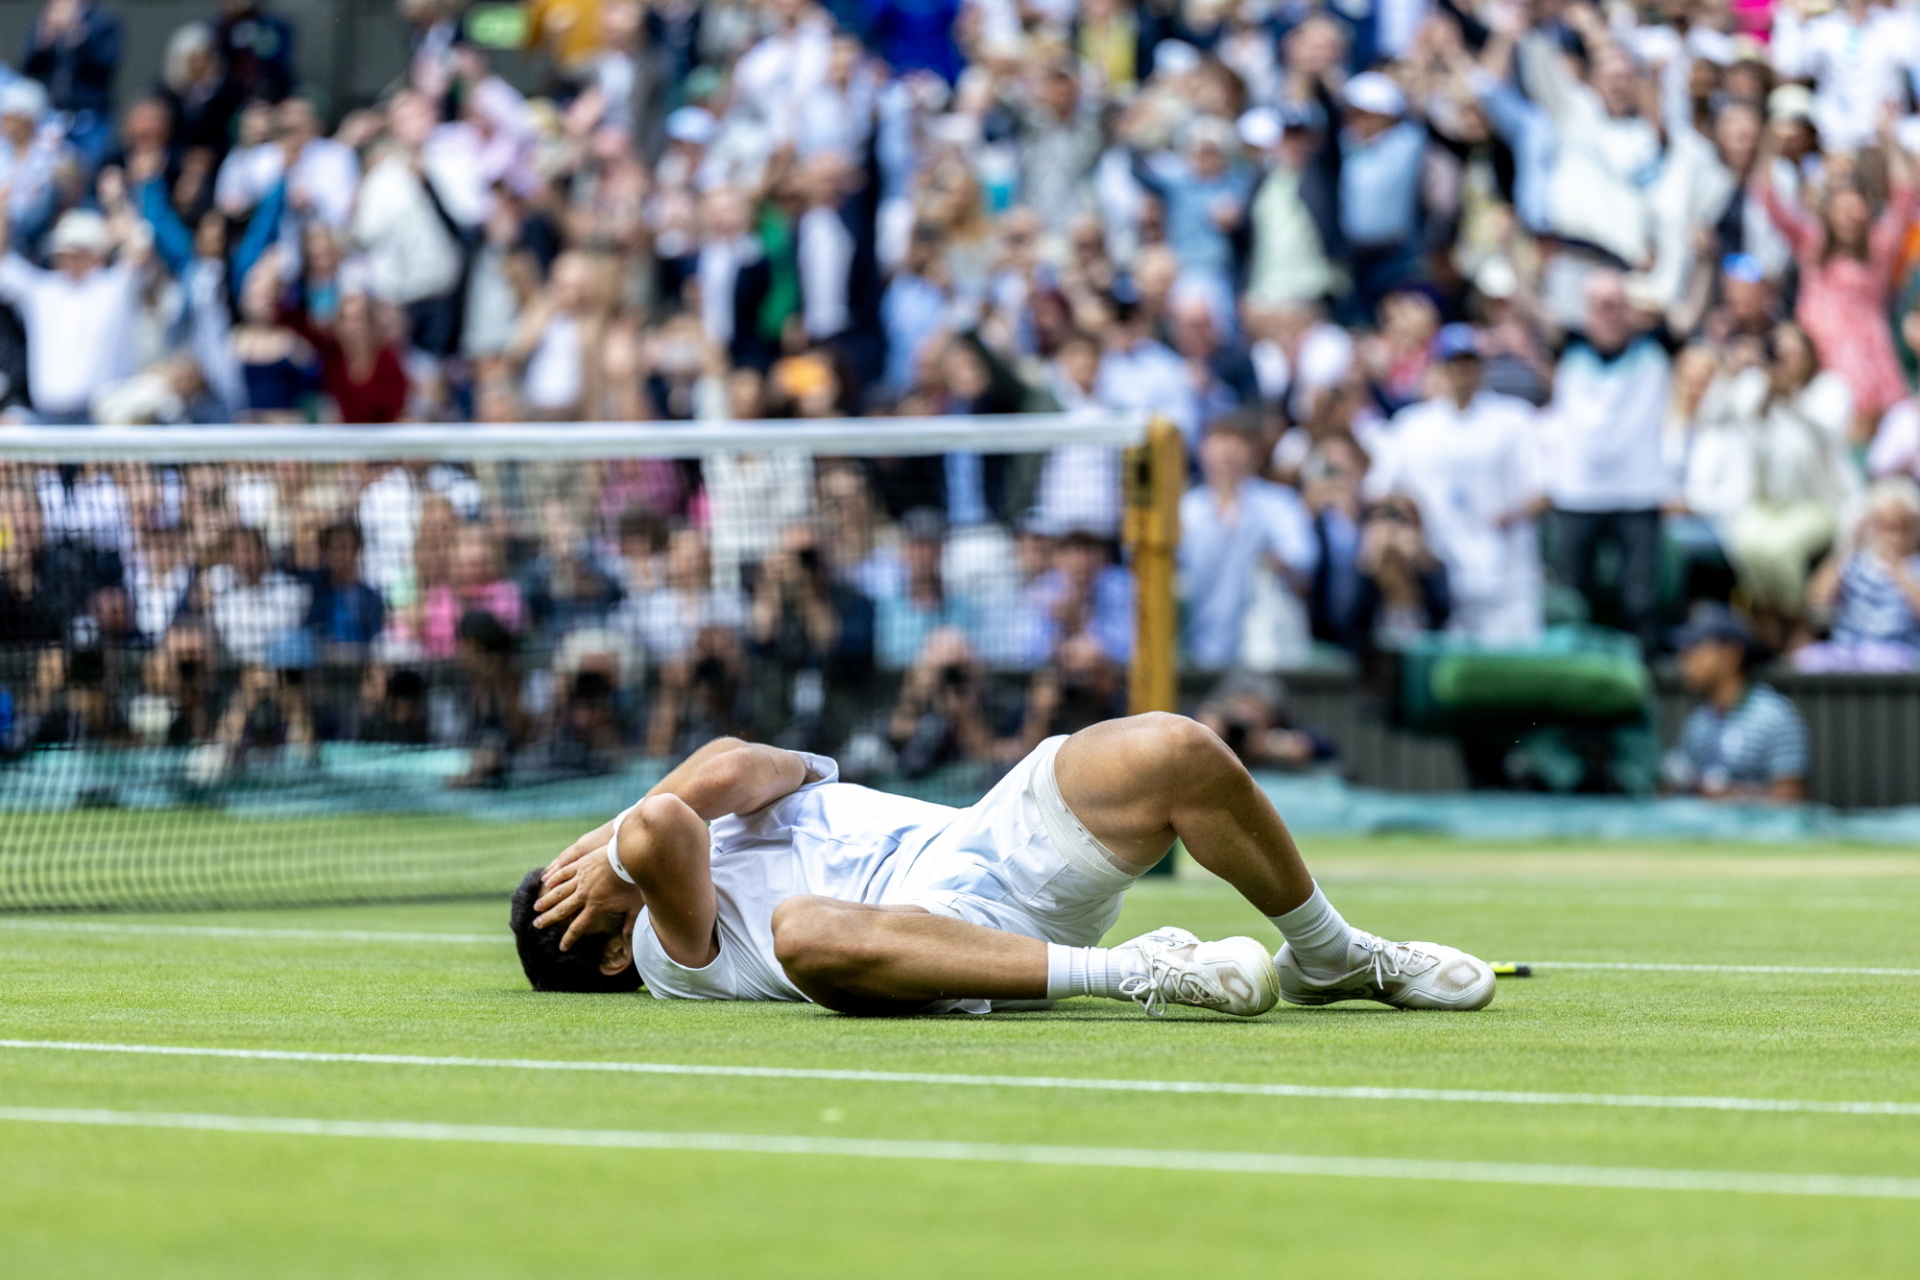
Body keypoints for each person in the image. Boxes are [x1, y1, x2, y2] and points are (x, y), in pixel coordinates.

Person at [517, 714, 1498, 1016]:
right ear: (606, 952)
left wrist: (607, 844)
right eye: (565, 884)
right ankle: (1139, 970)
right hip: (939, 939)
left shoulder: (714, 801)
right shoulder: (660, 947)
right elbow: (660, 831)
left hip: (985, 845)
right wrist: (615, 858)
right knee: (804, 930)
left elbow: (732, 763)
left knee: (1173, 749)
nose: (585, 865)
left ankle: (1328, 952)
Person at [1366, 323, 1544, 644]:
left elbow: (1543, 489)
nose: (1463, 374)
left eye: (1470, 365)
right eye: (1454, 365)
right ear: (1440, 368)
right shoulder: (1413, 426)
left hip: (1506, 575)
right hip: (1440, 575)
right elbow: (1380, 490)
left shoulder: (1513, 420)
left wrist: (1510, 514)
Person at [1661, 604, 1808, 802]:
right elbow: (1672, 785)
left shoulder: (1775, 716)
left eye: (1695, 647)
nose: (1684, 659)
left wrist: (1729, 795)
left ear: (1731, 655)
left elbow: (1790, 799)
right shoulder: (1698, 721)